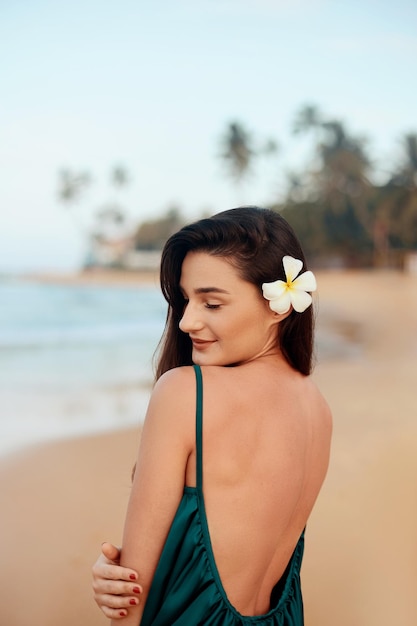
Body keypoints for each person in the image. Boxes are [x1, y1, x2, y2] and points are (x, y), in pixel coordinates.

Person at [91, 206, 332, 625]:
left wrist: (117, 590)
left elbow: (132, 599)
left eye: (212, 303)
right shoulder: (318, 410)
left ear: (278, 306)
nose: (186, 321)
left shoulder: (186, 394)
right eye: (185, 300)